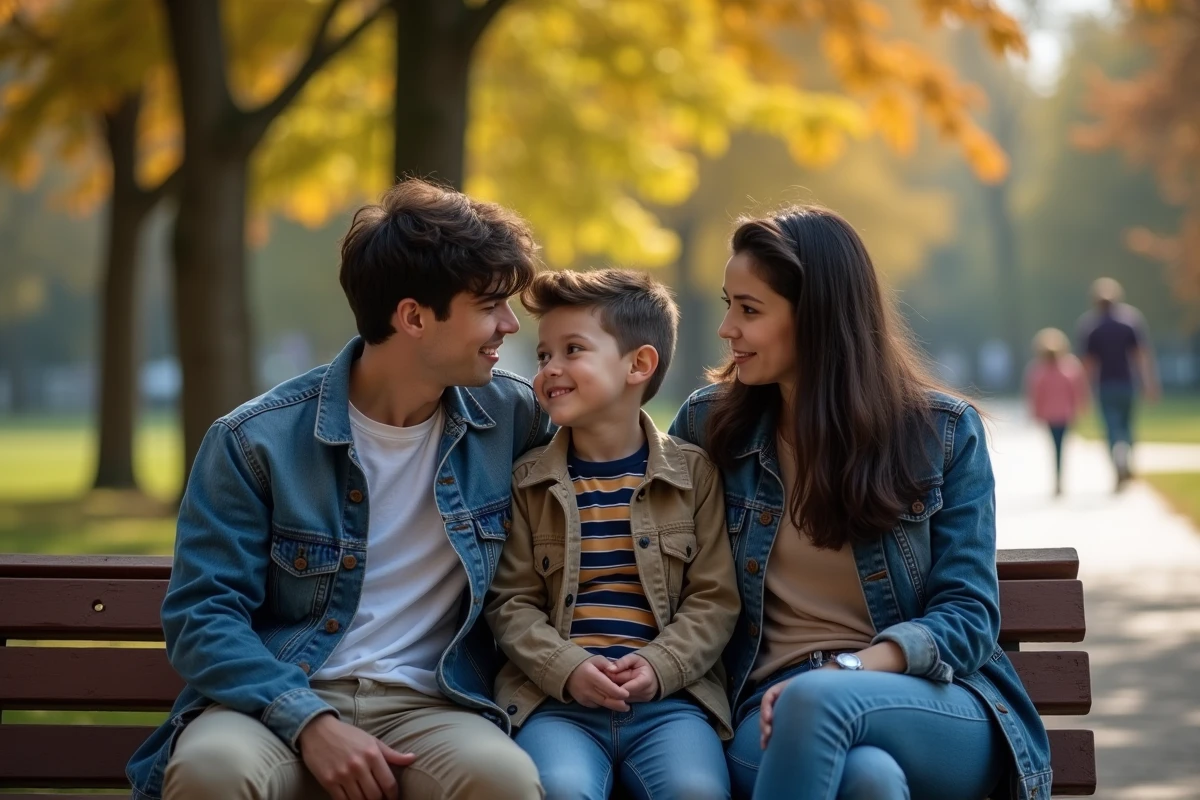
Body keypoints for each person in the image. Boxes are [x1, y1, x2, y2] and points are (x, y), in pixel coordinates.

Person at [126, 179, 554, 800]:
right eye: (489, 305)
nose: (510, 325)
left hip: (436, 704)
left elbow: (620, 455)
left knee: (503, 780)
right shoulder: (256, 440)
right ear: (412, 317)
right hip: (275, 701)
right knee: (211, 771)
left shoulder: (514, 420)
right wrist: (309, 721)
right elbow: (203, 615)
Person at [669, 206, 1052, 800]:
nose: (727, 328)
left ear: (816, 317)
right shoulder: (709, 425)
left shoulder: (941, 433)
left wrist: (850, 671)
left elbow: (968, 616)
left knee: (817, 702)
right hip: (768, 708)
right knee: (867, 781)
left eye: (749, 310)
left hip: (926, 697)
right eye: (728, 304)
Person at [486, 269, 740, 800]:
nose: (550, 369)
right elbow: (511, 603)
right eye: (542, 356)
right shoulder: (529, 481)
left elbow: (714, 600)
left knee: (695, 791)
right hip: (556, 706)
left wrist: (658, 664)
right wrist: (568, 667)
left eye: (572, 349)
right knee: (561, 788)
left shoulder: (693, 477)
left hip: (671, 705)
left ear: (638, 364)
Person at [1076, 277, 1160, 489]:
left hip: (1105, 385)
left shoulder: (1091, 326)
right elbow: (1141, 355)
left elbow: (1088, 363)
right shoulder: (1130, 321)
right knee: (1128, 426)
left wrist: (1083, 390)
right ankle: (1127, 460)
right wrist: (1149, 383)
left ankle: (1118, 464)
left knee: (1111, 427)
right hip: (1127, 383)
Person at [1024, 327, 1089, 497]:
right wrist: (1080, 408)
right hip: (1063, 415)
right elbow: (1077, 391)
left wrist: (1034, 413)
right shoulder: (1069, 367)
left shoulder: (1039, 370)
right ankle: (1059, 479)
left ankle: (1058, 480)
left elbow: (1035, 395)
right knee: (1060, 447)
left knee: (1057, 447)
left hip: (1053, 416)